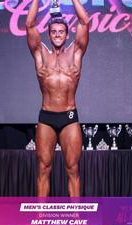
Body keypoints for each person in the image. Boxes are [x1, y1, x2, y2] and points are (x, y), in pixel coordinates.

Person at [25, 0, 89, 197]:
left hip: (69, 117)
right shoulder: (41, 55)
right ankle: (41, 213)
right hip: (47, 117)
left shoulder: (76, 53)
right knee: (43, 169)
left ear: (67, 35)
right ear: (49, 35)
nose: (58, 35)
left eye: (61, 32)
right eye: (54, 32)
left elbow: (85, 22)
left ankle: (75, 213)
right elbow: (29, 24)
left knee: (73, 169)